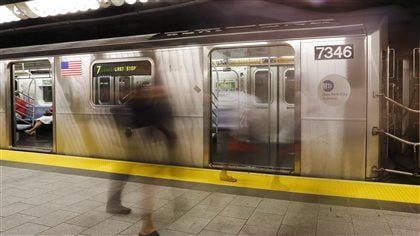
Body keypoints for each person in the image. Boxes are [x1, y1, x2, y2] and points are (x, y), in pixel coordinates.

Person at [107, 84, 176, 236]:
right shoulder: (132, 105)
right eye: (146, 91)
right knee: (146, 186)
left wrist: (169, 135)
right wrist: (127, 129)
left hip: (145, 149)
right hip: (139, 148)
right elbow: (118, 114)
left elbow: (157, 123)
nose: (149, 93)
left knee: (137, 180)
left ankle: (145, 225)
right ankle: (146, 227)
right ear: (138, 93)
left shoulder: (149, 105)